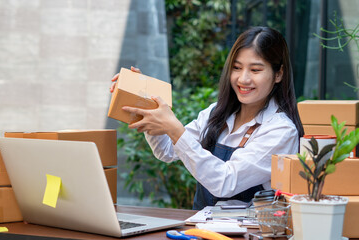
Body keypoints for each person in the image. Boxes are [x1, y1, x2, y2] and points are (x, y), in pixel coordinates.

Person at [110, 26, 304, 210]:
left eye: (255, 70)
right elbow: (166, 151)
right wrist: (144, 100)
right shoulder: (217, 114)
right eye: (237, 68)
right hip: (200, 229)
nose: (243, 79)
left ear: (278, 74)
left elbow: (225, 182)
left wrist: (174, 128)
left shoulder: (281, 131)